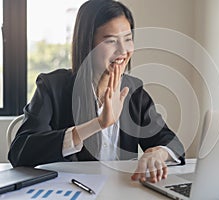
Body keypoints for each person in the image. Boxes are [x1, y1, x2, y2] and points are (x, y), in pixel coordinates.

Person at [8, 0, 185, 183]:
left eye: (128, 39)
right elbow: (20, 153)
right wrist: (97, 124)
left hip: (120, 190)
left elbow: (173, 143)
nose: (123, 50)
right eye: (110, 41)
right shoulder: (52, 86)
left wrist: (158, 153)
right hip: (72, 189)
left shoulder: (133, 92)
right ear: (88, 43)